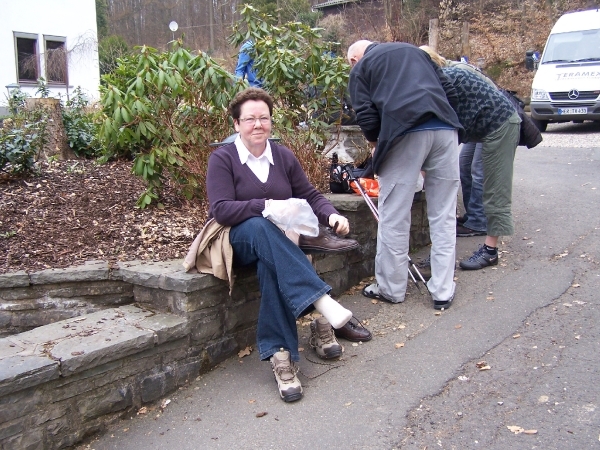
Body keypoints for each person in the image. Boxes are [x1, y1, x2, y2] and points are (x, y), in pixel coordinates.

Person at [206, 87, 371, 402]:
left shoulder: (281, 156)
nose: (258, 125)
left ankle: (281, 356)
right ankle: (323, 309)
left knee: (272, 266)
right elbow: (221, 210)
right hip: (239, 240)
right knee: (259, 225)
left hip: (279, 245)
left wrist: (332, 215)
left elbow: (309, 194)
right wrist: (267, 206)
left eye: (264, 118)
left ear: (271, 121)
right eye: (250, 119)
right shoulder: (223, 159)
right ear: (237, 124)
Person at [347, 40, 464, 310]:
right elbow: (450, 91)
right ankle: (443, 291)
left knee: (394, 214)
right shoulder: (415, 52)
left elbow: (365, 114)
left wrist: (377, 145)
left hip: (403, 133)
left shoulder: (361, 67)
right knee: (444, 213)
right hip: (445, 129)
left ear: (354, 59)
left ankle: (391, 288)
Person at [436, 65, 521, 270]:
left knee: (493, 184)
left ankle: (490, 251)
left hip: (500, 124)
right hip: (479, 126)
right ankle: (474, 218)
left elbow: (448, 128)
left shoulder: (447, 80)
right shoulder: (439, 79)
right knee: (464, 166)